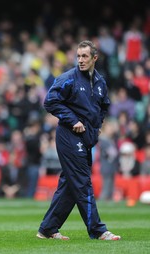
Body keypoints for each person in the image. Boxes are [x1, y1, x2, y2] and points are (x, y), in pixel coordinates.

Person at [37, 40, 121, 241]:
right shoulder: (68, 78)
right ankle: (98, 230)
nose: (81, 60)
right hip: (68, 136)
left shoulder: (100, 82)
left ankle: (47, 229)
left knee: (70, 184)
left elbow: (104, 105)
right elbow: (49, 101)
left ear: (95, 58)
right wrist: (72, 119)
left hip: (87, 138)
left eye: (85, 56)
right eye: (78, 56)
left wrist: (97, 126)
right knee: (82, 182)